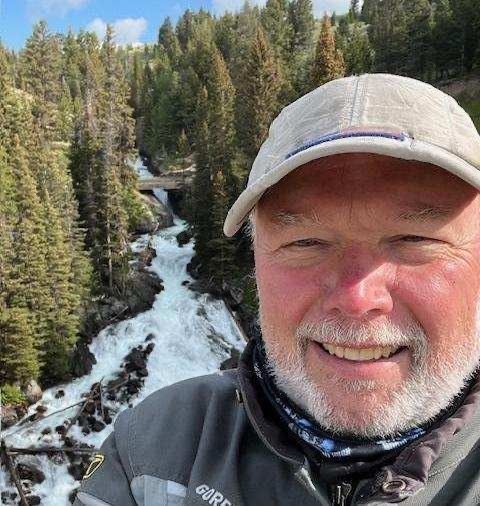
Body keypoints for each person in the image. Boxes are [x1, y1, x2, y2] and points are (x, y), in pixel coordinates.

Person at [74, 73, 480, 506]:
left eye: (414, 240)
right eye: (305, 242)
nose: (357, 298)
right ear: (256, 263)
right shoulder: (146, 450)